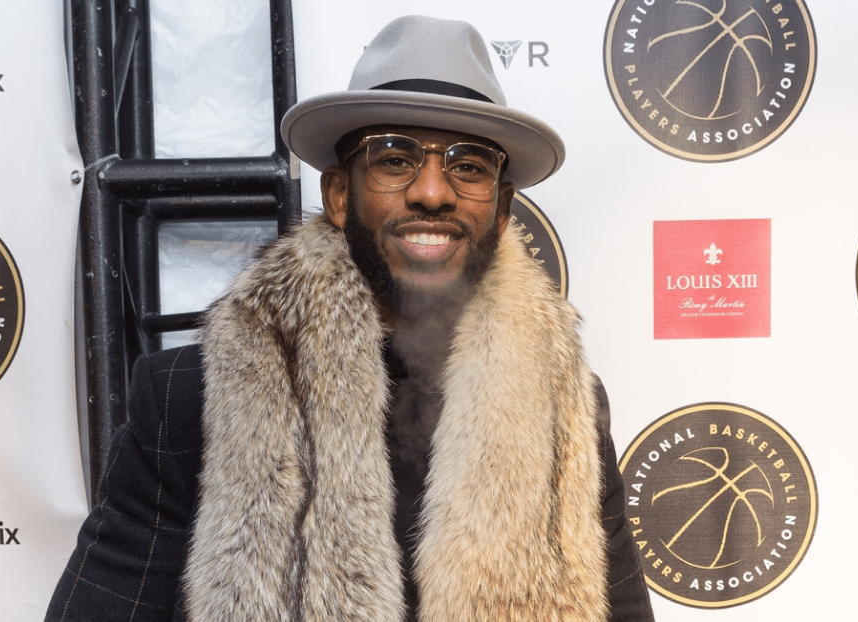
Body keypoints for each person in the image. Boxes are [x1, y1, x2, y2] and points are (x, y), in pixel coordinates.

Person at [46, 15, 655, 622]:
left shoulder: (564, 405)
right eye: (395, 160)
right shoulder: (191, 396)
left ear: (500, 212)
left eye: (469, 166)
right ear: (340, 195)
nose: (434, 192)